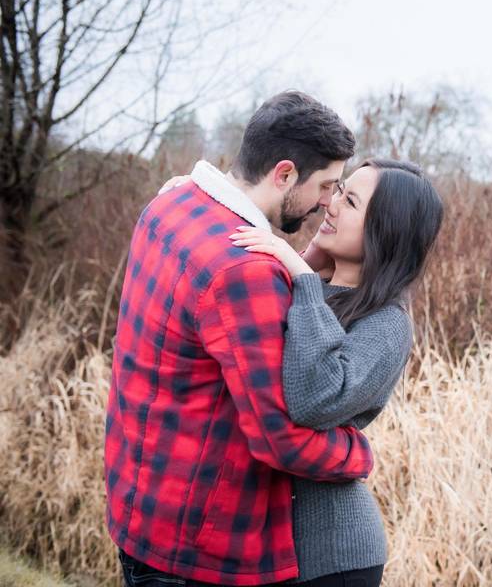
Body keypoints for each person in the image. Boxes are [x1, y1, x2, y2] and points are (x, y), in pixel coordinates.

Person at [105, 90, 373, 587]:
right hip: (199, 548)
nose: (327, 204)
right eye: (326, 186)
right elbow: (282, 440)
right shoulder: (244, 270)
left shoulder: (171, 204)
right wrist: (359, 455)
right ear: (285, 173)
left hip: (138, 508)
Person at [229, 157, 444, 586]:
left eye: (351, 201)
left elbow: (315, 398)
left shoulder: (387, 323)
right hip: (267, 545)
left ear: (385, 230)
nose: (331, 204)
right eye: (338, 191)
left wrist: (301, 276)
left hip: (333, 558)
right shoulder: (318, 289)